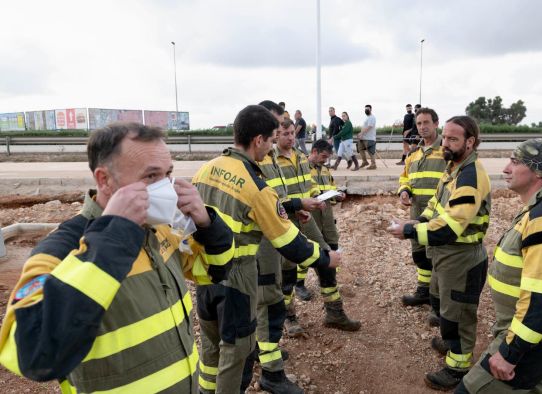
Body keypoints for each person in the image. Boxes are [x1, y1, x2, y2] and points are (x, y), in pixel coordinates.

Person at [0, 122, 235, 393]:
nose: (165, 188)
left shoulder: (157, 230)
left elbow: (214, 271)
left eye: (168, 174)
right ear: (104, 180)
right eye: (150, 177)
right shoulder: (62, 248)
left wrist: (207, 225)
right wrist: (114, 237)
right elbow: (31, 355)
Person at [192, 105, 340, 394]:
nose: (272, 147)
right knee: (237, 353)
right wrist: (325, 258)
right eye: (272, 139)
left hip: (205, 275)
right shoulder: (255, 186)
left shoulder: (205, 170)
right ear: (258, 140)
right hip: (237, 280)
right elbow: (287, 241)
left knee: (211, 347)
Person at [457, 139, 542, 394]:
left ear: (538, 170)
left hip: (535, 339)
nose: (505, 168)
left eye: (515, 162)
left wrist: (510, 353)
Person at [390, 115, 491, 390]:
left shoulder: (470, 176)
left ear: (470, 142)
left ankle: (457, 369)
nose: (445, 143)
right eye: (444, 137)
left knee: (457, 315)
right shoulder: (453, 166)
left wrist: (410, 232)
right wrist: (418, 221)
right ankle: (450, 344)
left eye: (452, 139)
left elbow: (451, 227)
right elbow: (436, 204)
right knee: (444, 306)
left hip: (460, 256)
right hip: (446, 255)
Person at [253, 100, 324, 394]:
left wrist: (297, 208)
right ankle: (268, 366)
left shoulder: (279, 157)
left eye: (284, 127)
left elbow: (279, 198)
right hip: (262, 240)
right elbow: (263, 204)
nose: (280, 132)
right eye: (276, 127)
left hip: (282, 226)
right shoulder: (257, 162)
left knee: (274, 291)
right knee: (267, 297)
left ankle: (266, 354)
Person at [272, 119, 361, 333]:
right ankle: (289, 317)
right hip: (285, 222)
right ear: (275, 135)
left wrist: (315, 198)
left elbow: (308, 186)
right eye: (285, 133)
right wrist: (297, 206)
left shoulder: (300, 158)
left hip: (306, 218)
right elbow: (271, 196)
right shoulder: (270, 161)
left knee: (327, 260)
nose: (290, 137)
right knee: (288, 275)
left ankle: (335, 313)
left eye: (293, 133)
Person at [397, 108, 447, 320]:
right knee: (419, 254)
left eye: (427, 122)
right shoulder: (414, 154)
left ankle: (439, 304)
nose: (423, 127)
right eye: (419, 123)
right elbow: (405, 178)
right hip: (417, 211)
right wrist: (404, 191)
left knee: (437, 258)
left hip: (439, 214)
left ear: (436, 124)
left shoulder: (447, 151)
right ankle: (423, 291)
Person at [357, 104, 377, 170]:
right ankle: (365, 161)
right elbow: (365, 127)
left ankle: (373, 164)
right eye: (365, 109)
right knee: (360, 148)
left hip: (369, 138)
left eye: (367, 109)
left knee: (370, 151)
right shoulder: (367, 118)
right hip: (363, 138)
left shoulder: (372, 117)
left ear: (371, 109)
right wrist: (360, 134)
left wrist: (361, 133)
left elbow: (369, 127)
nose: (366, 110)